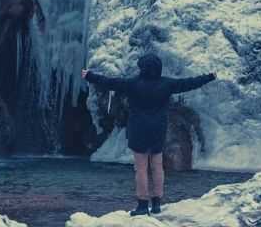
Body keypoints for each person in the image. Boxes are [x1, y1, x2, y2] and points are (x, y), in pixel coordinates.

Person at [81, 53, 216, 216]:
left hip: (138, 130)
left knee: (141, 169)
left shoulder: (133, 84)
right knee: (157, 167)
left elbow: (109, 82)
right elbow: (189, 83)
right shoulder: (167, 84)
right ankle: (157, 203)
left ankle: (143, 204)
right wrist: (209, 77)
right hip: (158, 129)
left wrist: (89, 75)